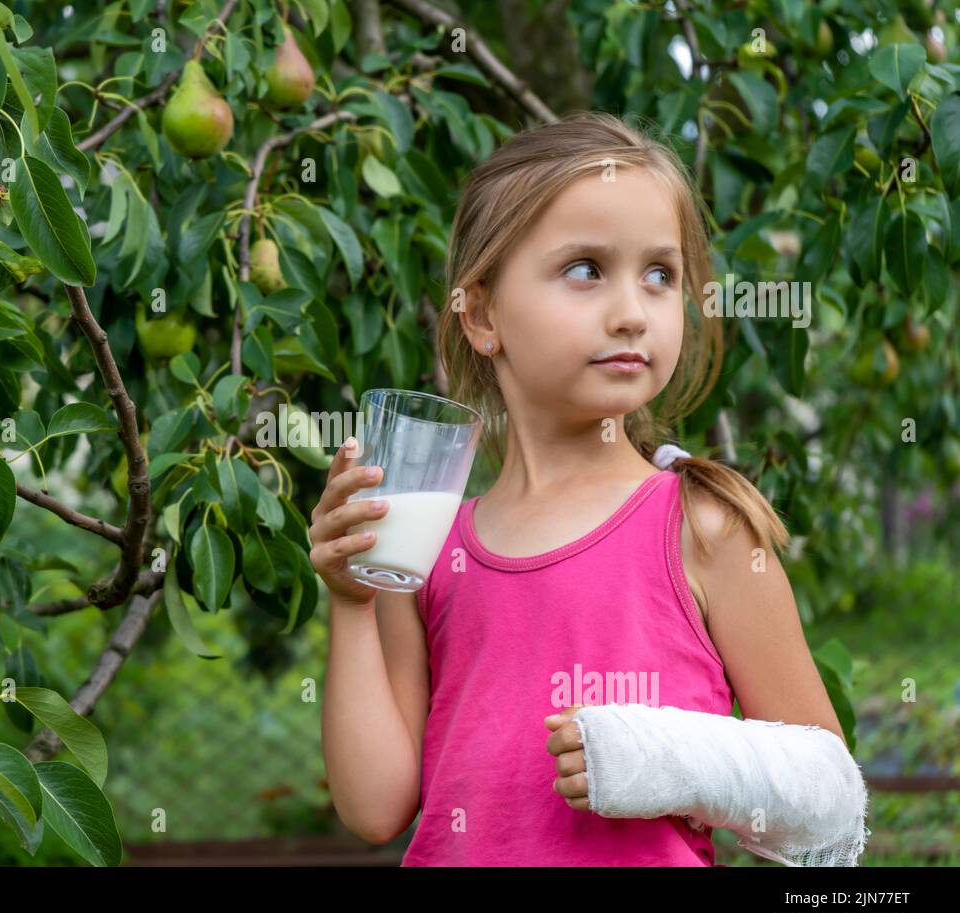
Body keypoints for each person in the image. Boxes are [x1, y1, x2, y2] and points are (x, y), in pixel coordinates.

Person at [312, 111, 849, 866]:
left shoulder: (703, 526)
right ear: (484, 314)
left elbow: (825, 800)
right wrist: (350, 599)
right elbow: (375, 808)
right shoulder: (429, 547)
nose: (633, 312)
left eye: (660, 275)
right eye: (586, 269)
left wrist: (657, 757)